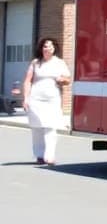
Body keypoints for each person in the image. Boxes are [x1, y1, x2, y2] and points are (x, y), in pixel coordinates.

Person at [20, 37, 71, 165]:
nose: (47, 48)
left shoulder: (59, 63)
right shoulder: (36, 63)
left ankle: (50, 155)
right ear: (41, 48)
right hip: (35, 99)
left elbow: (67, 80)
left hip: (52, 99)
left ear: (54, 49)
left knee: (50, 126)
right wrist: (26, 98)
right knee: (37, 128)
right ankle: (39, 155)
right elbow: (27, 81)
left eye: (50, 46)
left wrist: (61, 80)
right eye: (45, 46)